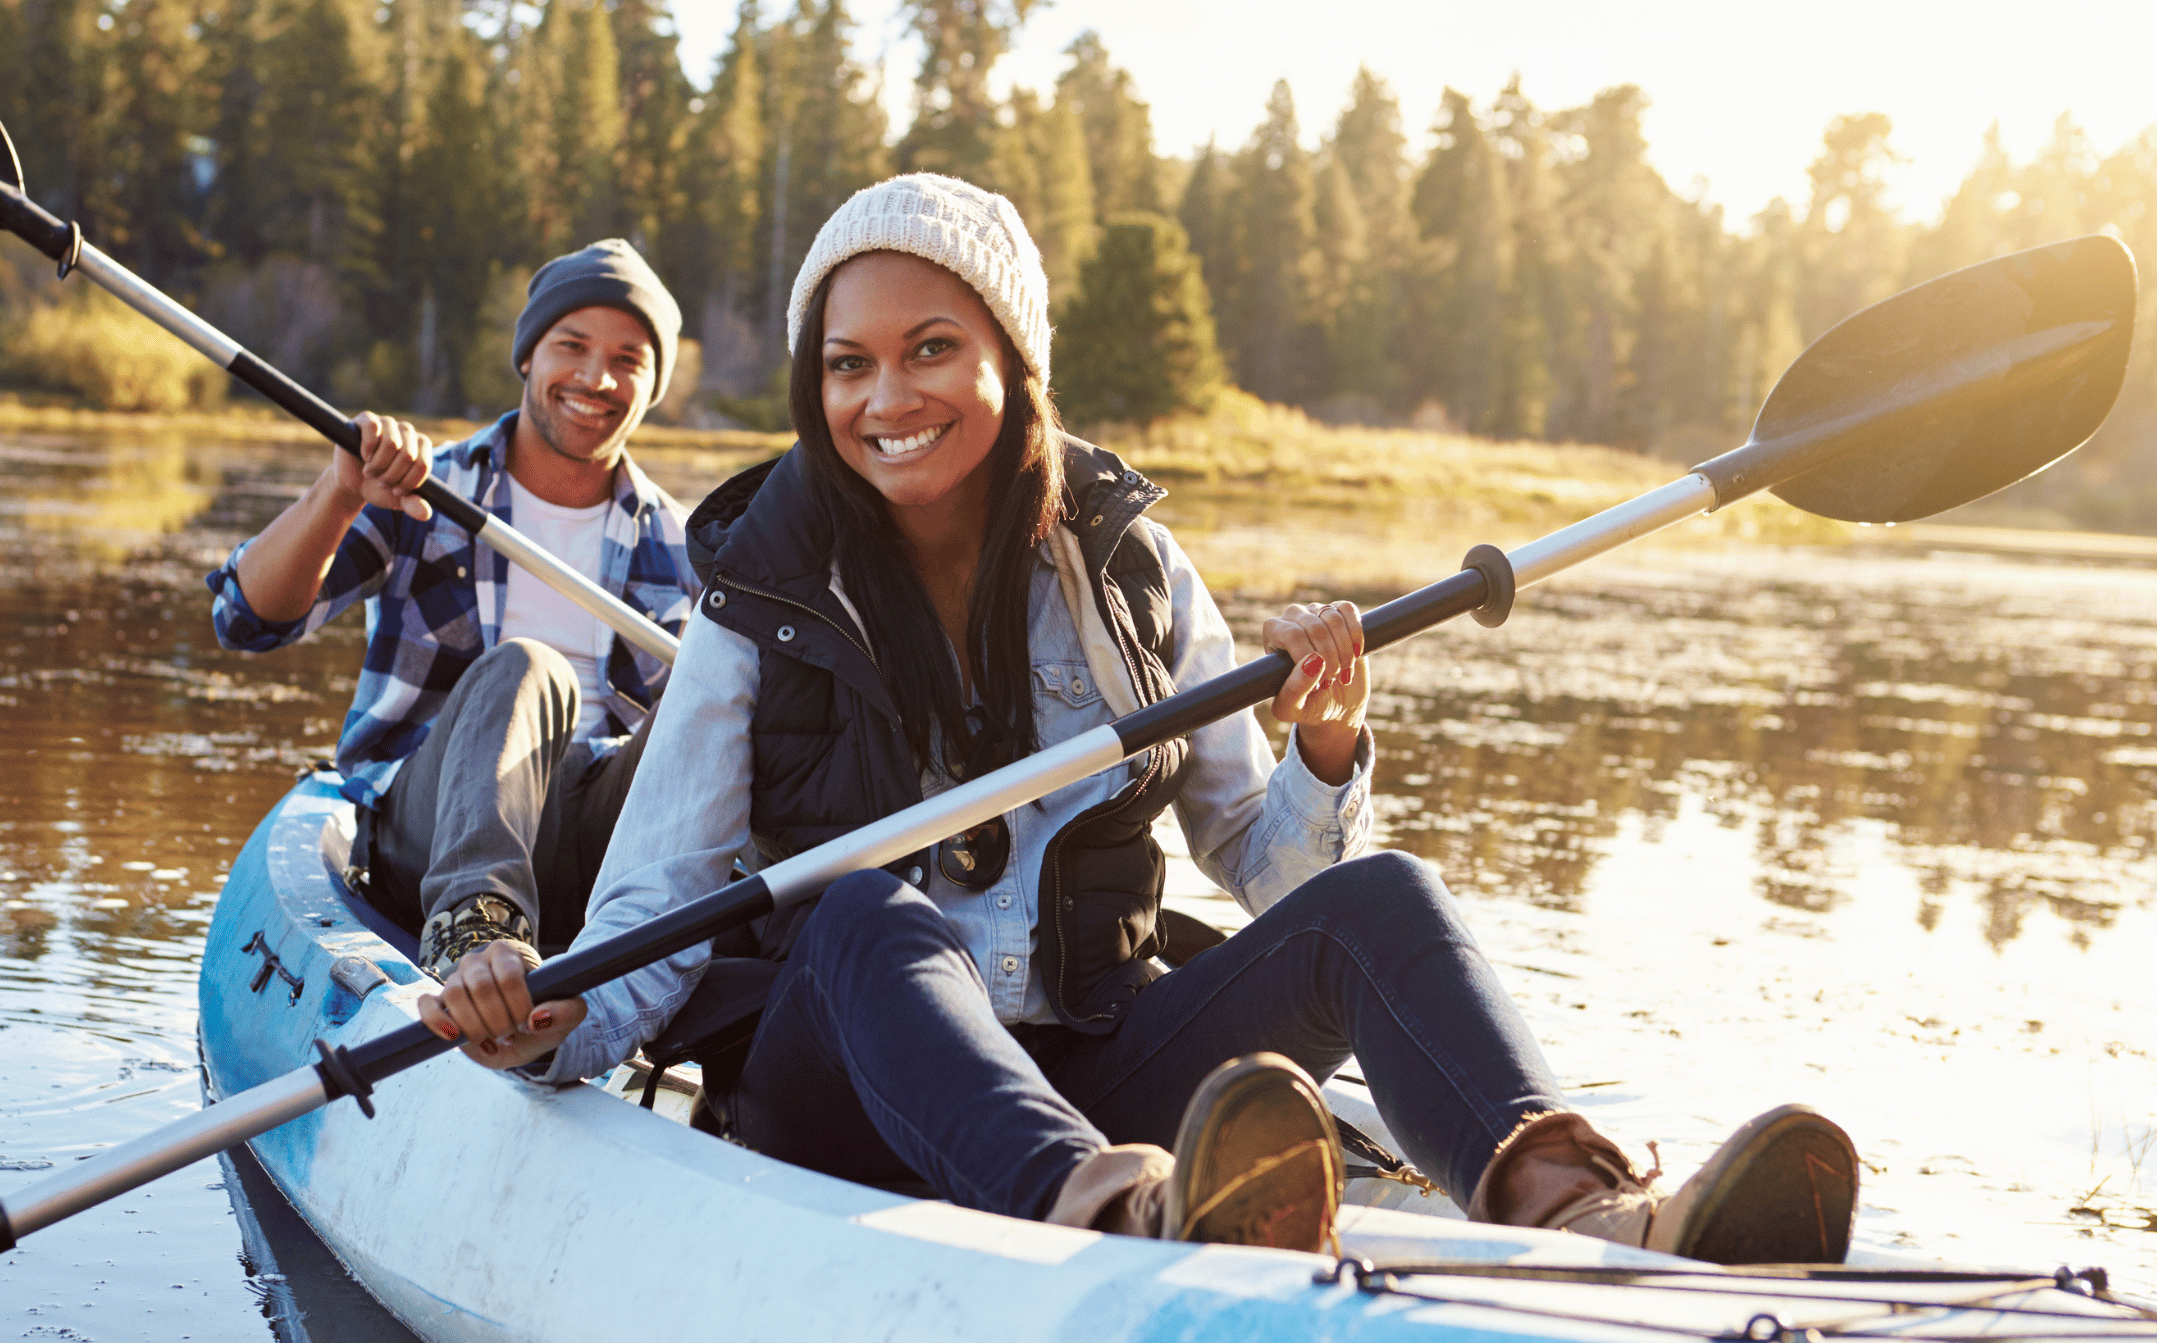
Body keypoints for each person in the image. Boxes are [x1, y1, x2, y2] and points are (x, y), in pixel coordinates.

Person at [420, 177, 1859, 1263]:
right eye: (847, 365)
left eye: (930, 350)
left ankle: (1589, 1209)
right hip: (848, 1083)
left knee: (1384, 899)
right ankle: (1112, 1215)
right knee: (865, 917)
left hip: (1093, 1055)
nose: (884, 397)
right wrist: (543, 1022)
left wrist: (1326, 748)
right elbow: (657, 898)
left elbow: (1268, 864)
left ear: (1012, 363)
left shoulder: (1129, 573)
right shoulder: (759, 593)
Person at [207, 239, 699, 977]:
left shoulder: (684, 543)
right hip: (430, 829)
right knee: (528, 670)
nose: (596, 378)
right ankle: (475, 932)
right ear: (529, 356)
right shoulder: (424, 488)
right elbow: (246, 621)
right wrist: (340, 494)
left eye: (629, 359)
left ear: (654, 384)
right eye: (572, 345)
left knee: (717, 695)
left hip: (600, 852)